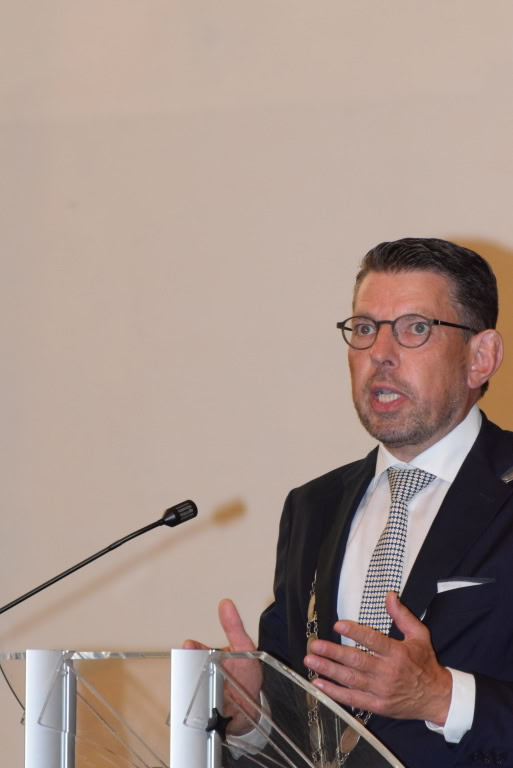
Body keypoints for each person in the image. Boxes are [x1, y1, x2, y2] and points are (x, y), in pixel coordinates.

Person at [186, 238, 513, 767]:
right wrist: (251, 716)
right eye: (364, 329)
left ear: (481, 357)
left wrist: (443, 697)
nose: (379, 353)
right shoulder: (313, 507)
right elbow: (303, 722)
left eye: (415, 328)